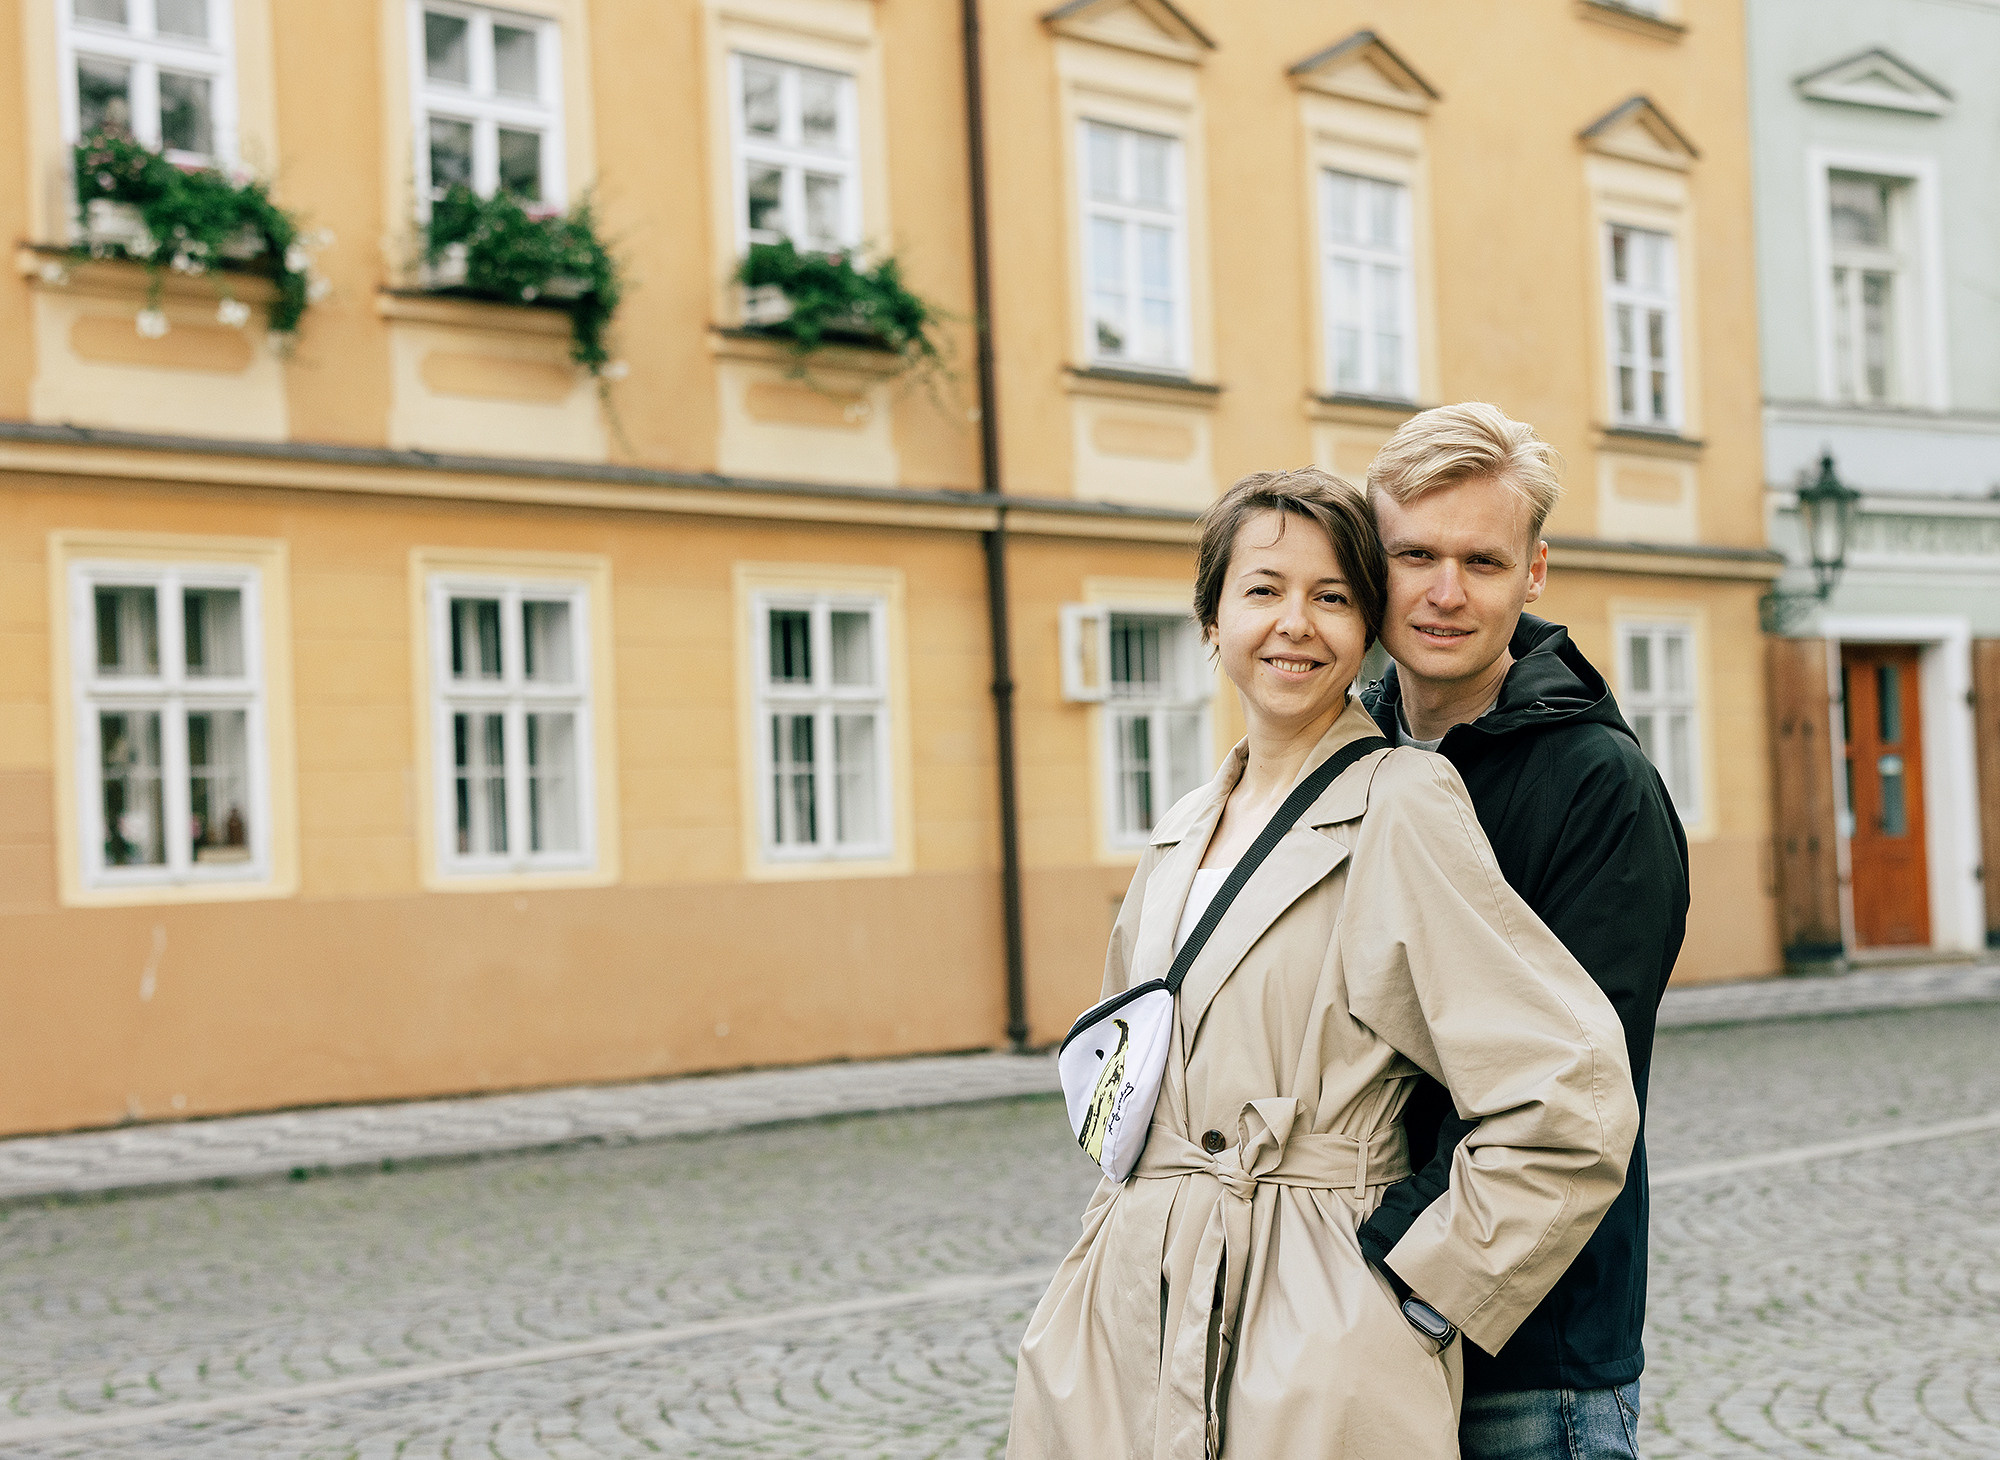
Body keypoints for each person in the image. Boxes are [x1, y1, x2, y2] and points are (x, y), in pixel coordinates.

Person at [1009, 468, 1639, 1459]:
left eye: (1330, 596)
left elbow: (1569, 1091)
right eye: (1261, 590)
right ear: (1210, 618)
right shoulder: (1179, 830)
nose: (1292, 623)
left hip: (1317, 1319)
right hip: (1131, 1322)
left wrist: (1420, 1295)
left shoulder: (1403, 800)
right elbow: (1119, 1095)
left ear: (1364, 629)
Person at [1354, 403, 1690, 1460]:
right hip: (1337, 1336)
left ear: (1531, 571)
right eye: (1413, 554)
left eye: (1480, 560)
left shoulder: (1601, 785)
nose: (1444, 591)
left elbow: (1570, 1094)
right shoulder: (1343, 756)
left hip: (1529, 1363)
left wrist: (1392, 1270)